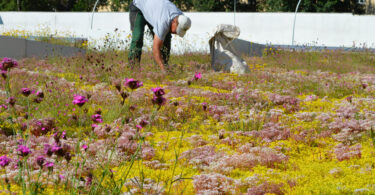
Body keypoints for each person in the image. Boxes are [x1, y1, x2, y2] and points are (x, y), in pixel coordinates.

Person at [128, 0, 191, 72]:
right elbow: (156, 48)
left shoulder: (181, 17)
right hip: (138, 7)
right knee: (137, 37)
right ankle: (133, 68)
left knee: (166, 38)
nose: (176, 33)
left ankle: (160, 69)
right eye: (177, 30)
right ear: (174, 21)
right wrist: (163, 69)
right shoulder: (163, 22)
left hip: (154, 11)